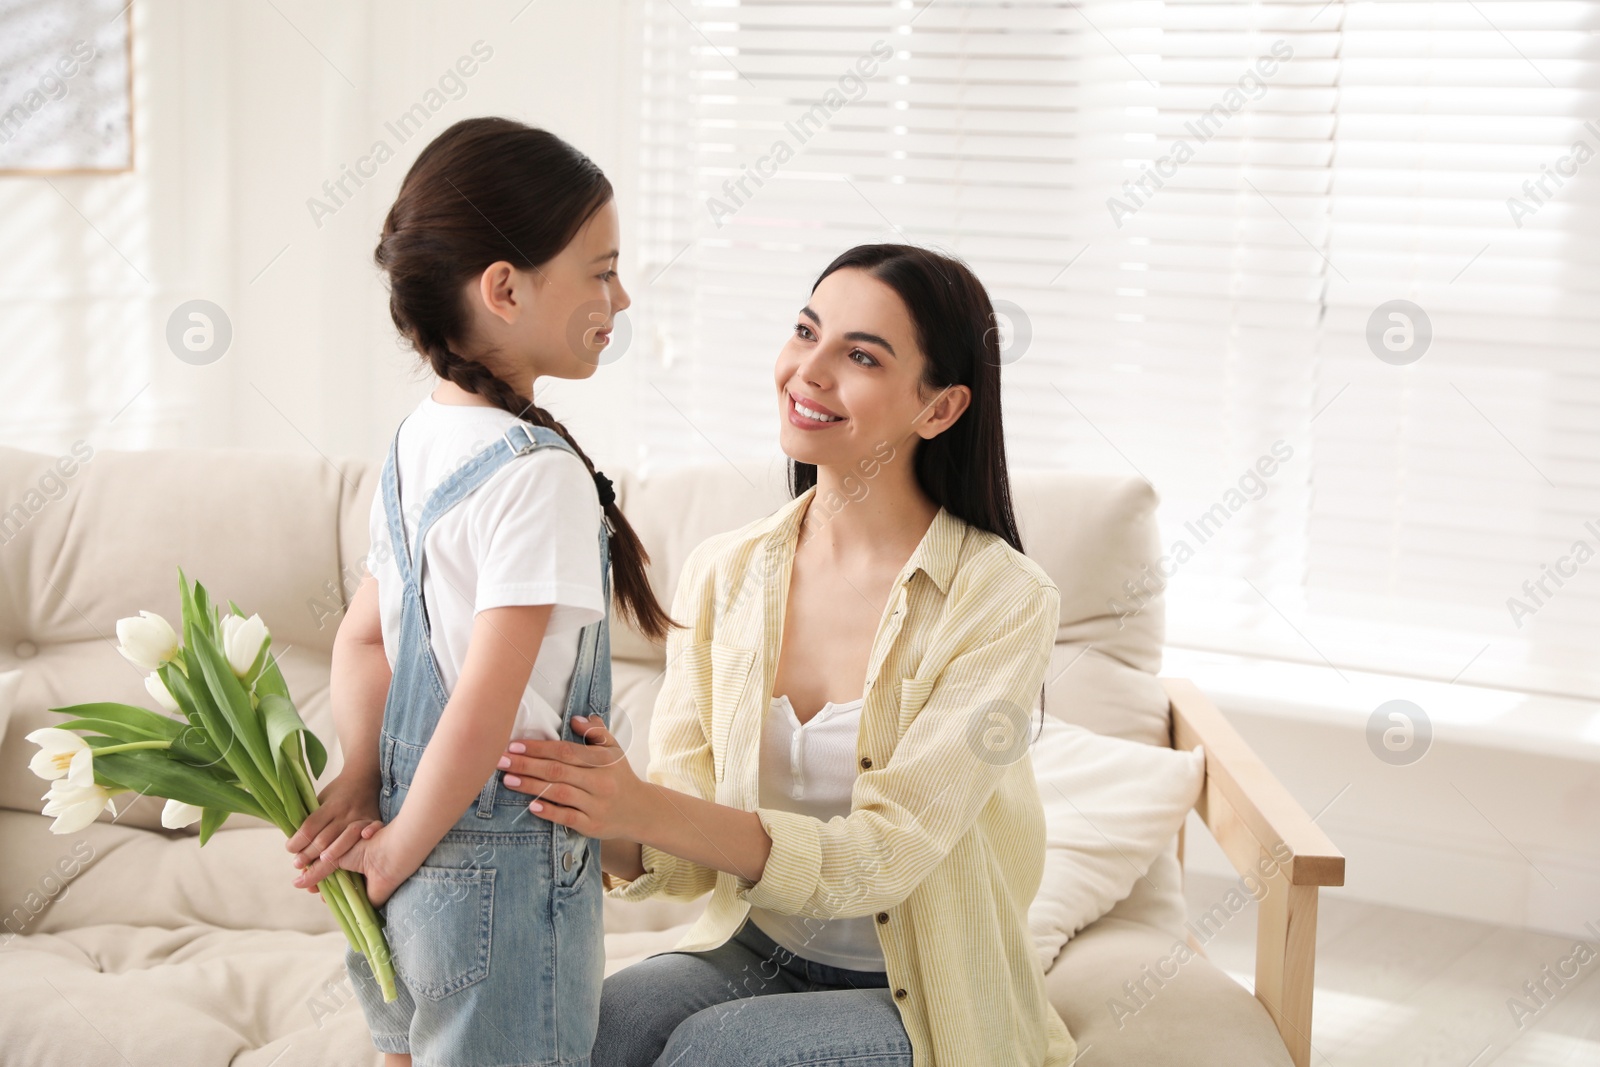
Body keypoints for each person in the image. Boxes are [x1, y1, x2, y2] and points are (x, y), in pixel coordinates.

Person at [496, 244, 1081, 1065]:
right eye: (806, 332)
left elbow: (887, 854)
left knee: (718, 1051)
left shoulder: (1002, 599)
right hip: (754, 949)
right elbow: (686, 830)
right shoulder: (726, 572)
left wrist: (642, 808)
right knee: (594, 1026)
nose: (808, 370)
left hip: (925, 994)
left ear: (940, 409)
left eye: (861, 355)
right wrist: (586, 804)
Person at [283, 116, 674, 1067]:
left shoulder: (416, 444)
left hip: (405, 844)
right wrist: (402, 842)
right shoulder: (536, 474)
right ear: (504, 287)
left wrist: (367, 782)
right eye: (601, 269)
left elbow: (363, 643)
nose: (620, 296)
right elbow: (484, 707)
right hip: (497, 865)